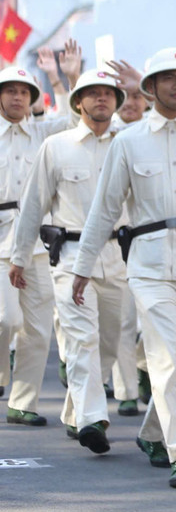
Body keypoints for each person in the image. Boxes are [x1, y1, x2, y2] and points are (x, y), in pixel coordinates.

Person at [74, 48, 176, 488]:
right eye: (169, 78)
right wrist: (82, 266)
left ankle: (152, 432)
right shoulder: (128, 140)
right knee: (165, 356)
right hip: (149, 266)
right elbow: (104, 210)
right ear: (150, 87)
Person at [11, 68, 126, 454]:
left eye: (108, 94)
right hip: (70, 254)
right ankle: (93, 419)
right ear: (78, 102)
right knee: (81, 339)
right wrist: (19, 255)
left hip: (117, 255)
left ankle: (75, 410)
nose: (101, 100)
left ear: (117, 101)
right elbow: (33, 206)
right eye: (92, 94)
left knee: (108, 342)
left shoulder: (128, 144)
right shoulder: (56, 146)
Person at [0, 51, 80, 426]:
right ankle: (3, 373)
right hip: (0, 240)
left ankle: (23, 401)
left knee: (36, 326)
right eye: (10, 91)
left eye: (24, 92)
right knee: (6, 319)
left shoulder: (43, 132)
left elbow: (77, 120)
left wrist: (62, 78)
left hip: (37, 240)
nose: (17, 97)